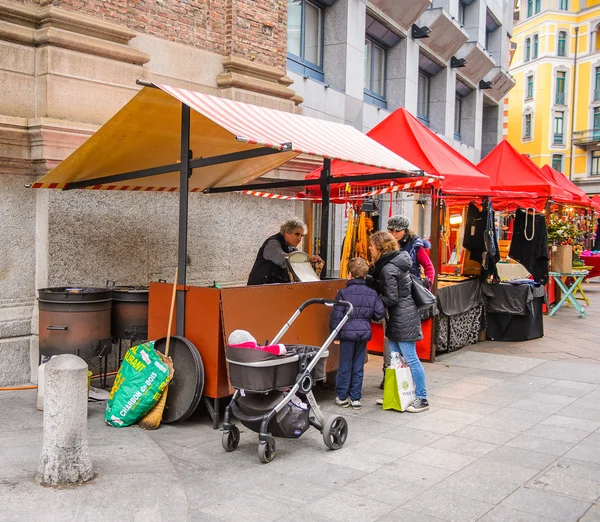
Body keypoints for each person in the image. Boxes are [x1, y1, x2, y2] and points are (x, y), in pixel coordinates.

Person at [368, 231, 429, 413]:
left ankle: (422, 398)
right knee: (395, 359)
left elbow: (392, 298)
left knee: (410, 357)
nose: (369, 248)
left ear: (379, 247)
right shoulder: (394, 263)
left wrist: (373, 305)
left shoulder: (388, 268)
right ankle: (397, 393)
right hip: (401, 315)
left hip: (402, 316)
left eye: (371, 245)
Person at [329, 257, 385, 410]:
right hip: (363, 333)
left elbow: (336, 316)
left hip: (347, 334)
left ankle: (342, 396)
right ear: (365, 276)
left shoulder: (343, 293)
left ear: (349, 275)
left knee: (345, 365)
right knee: (358, 365)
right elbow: (379, 313)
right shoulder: (372, 293)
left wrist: (336, 335)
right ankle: (356, 398)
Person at [247, 218, 322, 285]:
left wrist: (310, 262)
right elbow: (283, 260)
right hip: (261, 287)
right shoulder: (273, 243)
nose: (299, 239)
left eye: (301, 236)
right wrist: (307, 259)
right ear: (286, 233)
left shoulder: (292, 249)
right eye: (297, 234)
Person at [387, 215, 435, 286]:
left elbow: (429, 267)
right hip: (390, 286)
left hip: (411, 287)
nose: (394, 234)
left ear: (405, 231)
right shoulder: (385, 244)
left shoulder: (414, 245)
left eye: (397, 231)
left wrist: (427, 285)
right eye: (391, 230)